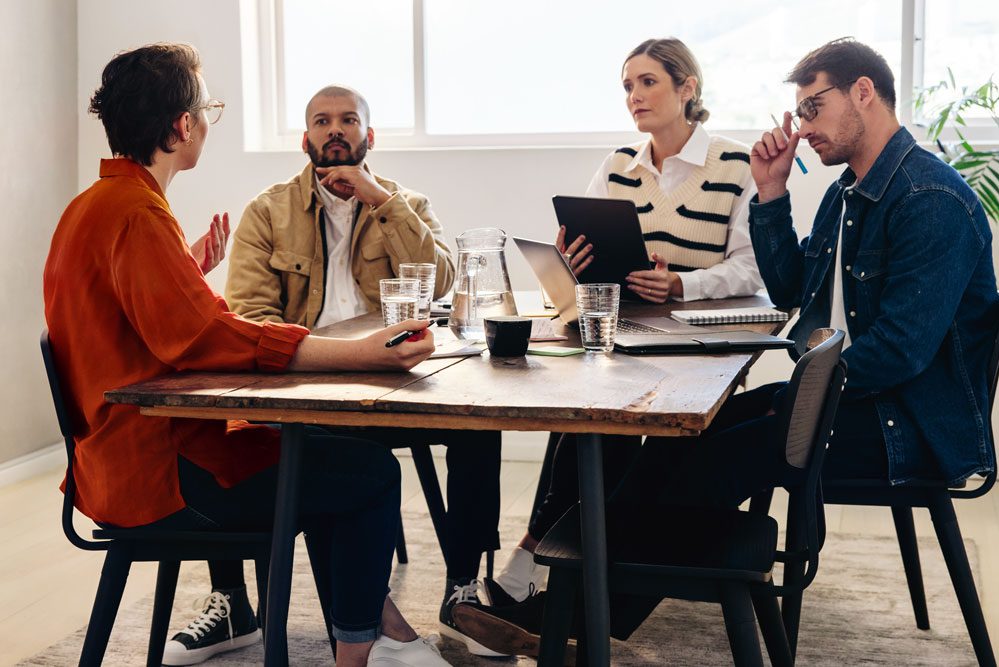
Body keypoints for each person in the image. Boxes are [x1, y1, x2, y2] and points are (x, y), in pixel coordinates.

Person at [454, 37, 998, 656]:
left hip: (907, 427)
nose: (802, 128)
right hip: (847, 398)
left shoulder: (930, 199)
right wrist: (771, 194)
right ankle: (572, 604)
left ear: (864, 93)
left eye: (813, 108)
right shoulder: (853, 192)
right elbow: (792, 289)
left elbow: (900, 352)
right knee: (683, 438)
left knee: (715, 458)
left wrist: (797, 396)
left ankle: (572, 618)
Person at [44, 43, 450, 667]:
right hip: (157, 476)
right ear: (182, 127)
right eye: (206, 109)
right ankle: (359, 653)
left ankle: (358, 626)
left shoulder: (93, 206)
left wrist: (186, 272)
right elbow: (206, 340)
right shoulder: (137, 216)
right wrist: (356, 354)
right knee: (370, 475)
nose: (208, 122)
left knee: (326, 458)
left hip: (110, 463)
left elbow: (151, 324)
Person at [481, 36, 765, 617]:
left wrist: (681, 283)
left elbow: (752, 269)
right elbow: (581, 265)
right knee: (585, 415)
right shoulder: (617, 166)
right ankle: (551, 561)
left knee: (592, 422)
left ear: (688, 88)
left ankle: (541, 562)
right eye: (627, 85)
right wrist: (571, 261)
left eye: (648, 82)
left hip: (693, 343)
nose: (634, 95)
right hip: (621, 333)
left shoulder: (737, 166)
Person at [220, 85, 503, 657]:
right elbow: (250, 318)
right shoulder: (267, 212)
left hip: (402, 383)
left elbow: (444, 283)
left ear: (368, 137)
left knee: (481, 428)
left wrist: (381, 201)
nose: (335, 130)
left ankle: (462, 589)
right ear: (305, 140)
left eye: (349, 120)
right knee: (344, 464)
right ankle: (368, 612)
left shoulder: (407, 204)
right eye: (322, 121)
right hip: (315, 388)